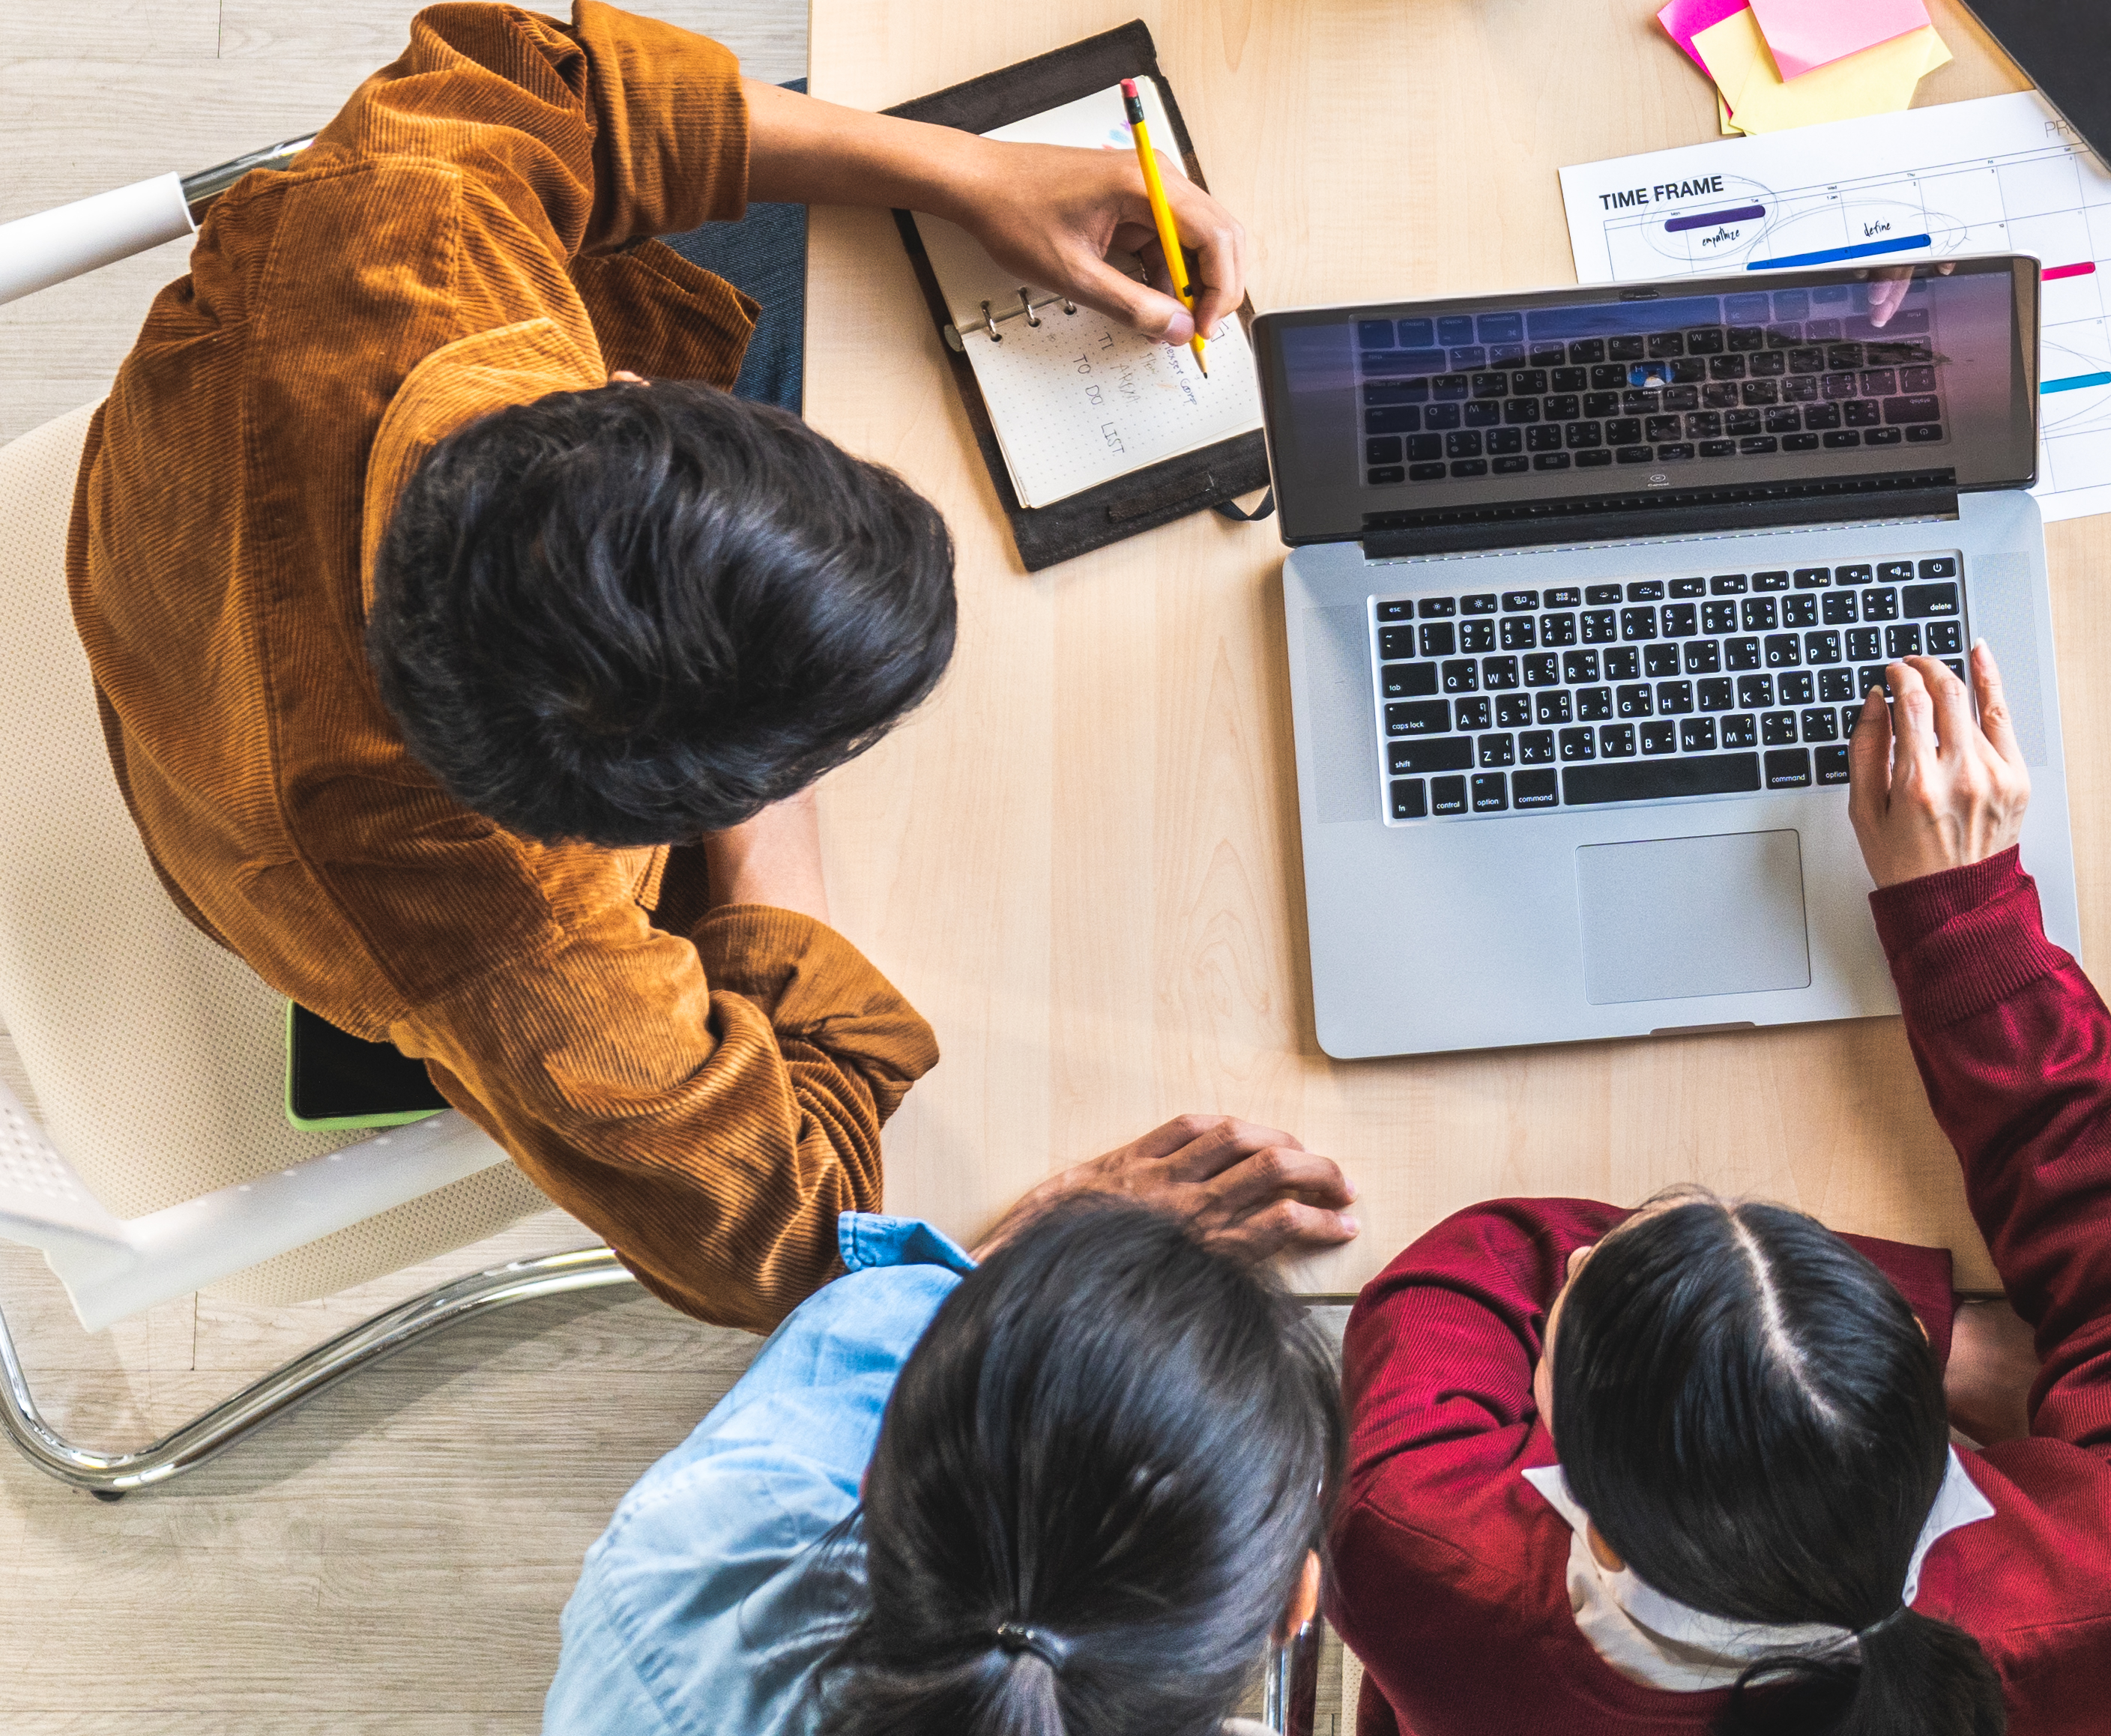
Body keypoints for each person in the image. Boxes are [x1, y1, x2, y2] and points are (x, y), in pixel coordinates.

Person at [68, 1, 1298, 1330]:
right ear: (657, 827)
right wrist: (767, 831)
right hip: (247, 789)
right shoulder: (517, 947)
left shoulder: (411, 219)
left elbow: (580, 90)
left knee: (866, 148)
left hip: (196, 533)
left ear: (632, 393)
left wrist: (974, 170)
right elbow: (793, 1241)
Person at [1332, 650, 2111, 1736]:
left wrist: (1932, 1324)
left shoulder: (1423, 1562)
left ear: (1597, 1524)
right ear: (1927, 1439)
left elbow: (1475, 1267)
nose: (1571, 1259)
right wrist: (1964, 921)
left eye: (1576, 1306)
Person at [516, 1119, 1359, 1736]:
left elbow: (871, 1321)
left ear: (870, 1480)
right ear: (1297, 1602)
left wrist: (1046, 1248)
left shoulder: (701, 1553)